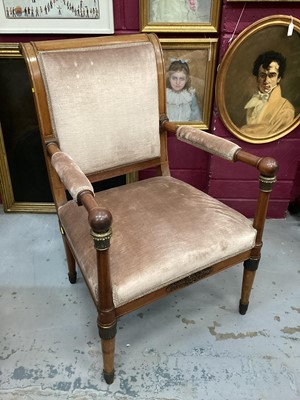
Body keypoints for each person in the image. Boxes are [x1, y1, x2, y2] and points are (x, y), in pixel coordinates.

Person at [240, 51, 295, 138]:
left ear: (279, 78)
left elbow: (269, 136)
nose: (266, 81)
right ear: (257, 78)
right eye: (262, 75)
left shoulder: (286, 109)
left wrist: (244, 130)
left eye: (271, 75)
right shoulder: (253, 103)